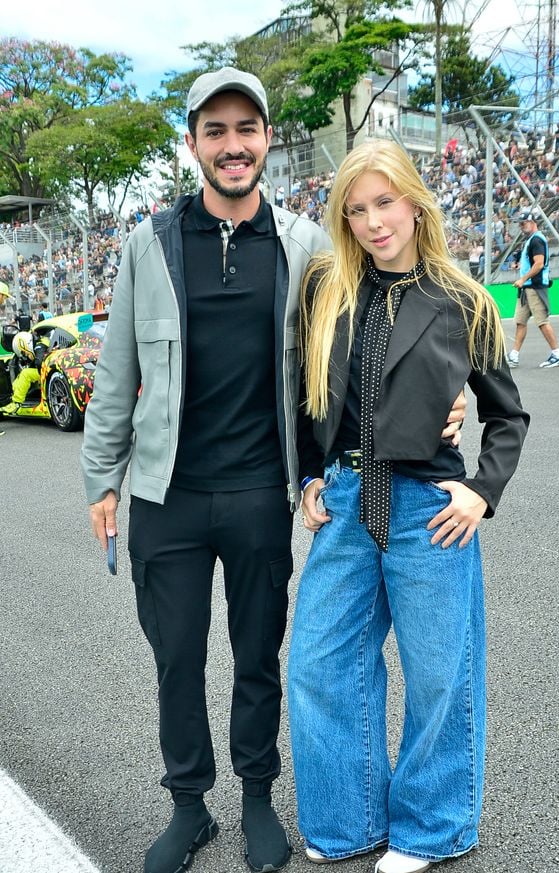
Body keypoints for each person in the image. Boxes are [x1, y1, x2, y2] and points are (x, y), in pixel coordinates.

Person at [79, 67, 331, 873]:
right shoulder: (147, 243)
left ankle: (257, 797)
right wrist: (102, 481)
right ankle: (190, 807)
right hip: (167, 496)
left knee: (259, 654)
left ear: (266, 140)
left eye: (246, 129)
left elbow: (349, 354)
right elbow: (116, 374)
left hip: (263, 491)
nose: (233, 146)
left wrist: (445, 404)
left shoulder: (305, 244)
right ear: (191, 144)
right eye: (214, 131)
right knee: (176, 658)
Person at [287, 141, 529, 873]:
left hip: (429, 504)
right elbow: (306, 398)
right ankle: (348, 819)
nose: (371, 221)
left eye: (384, 202)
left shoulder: (465, 301)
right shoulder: (325, 290)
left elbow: (508, 415)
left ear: (416, 202)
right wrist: (307, 477)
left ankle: (432, 829)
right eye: (356, 209)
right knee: (320, 663)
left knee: (438, 674)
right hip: (349, 497)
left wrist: (481, 489)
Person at [507, 212, 559, 369]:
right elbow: (532, 262)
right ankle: (514, 355)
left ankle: (557, 354)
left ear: (532, 222)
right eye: (520, 223)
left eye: (524, 222)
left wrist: (522, 279)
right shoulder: (530, 241)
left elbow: (539, 264)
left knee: (542, 322)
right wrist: (520, 266)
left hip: (535, 287)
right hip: (527, 289)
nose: (521, 226)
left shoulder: (537, 240)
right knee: (520, 322)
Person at [0, 330, 50, 415]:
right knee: (23, 375)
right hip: (50, 370)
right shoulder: (42, 341)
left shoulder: (39, 346)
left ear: (25, 344)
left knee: (25, 374)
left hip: (48, 370)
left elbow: (39, 362)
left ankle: (16, 403)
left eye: (24, 353)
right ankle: (12, 399)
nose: (26, 356)